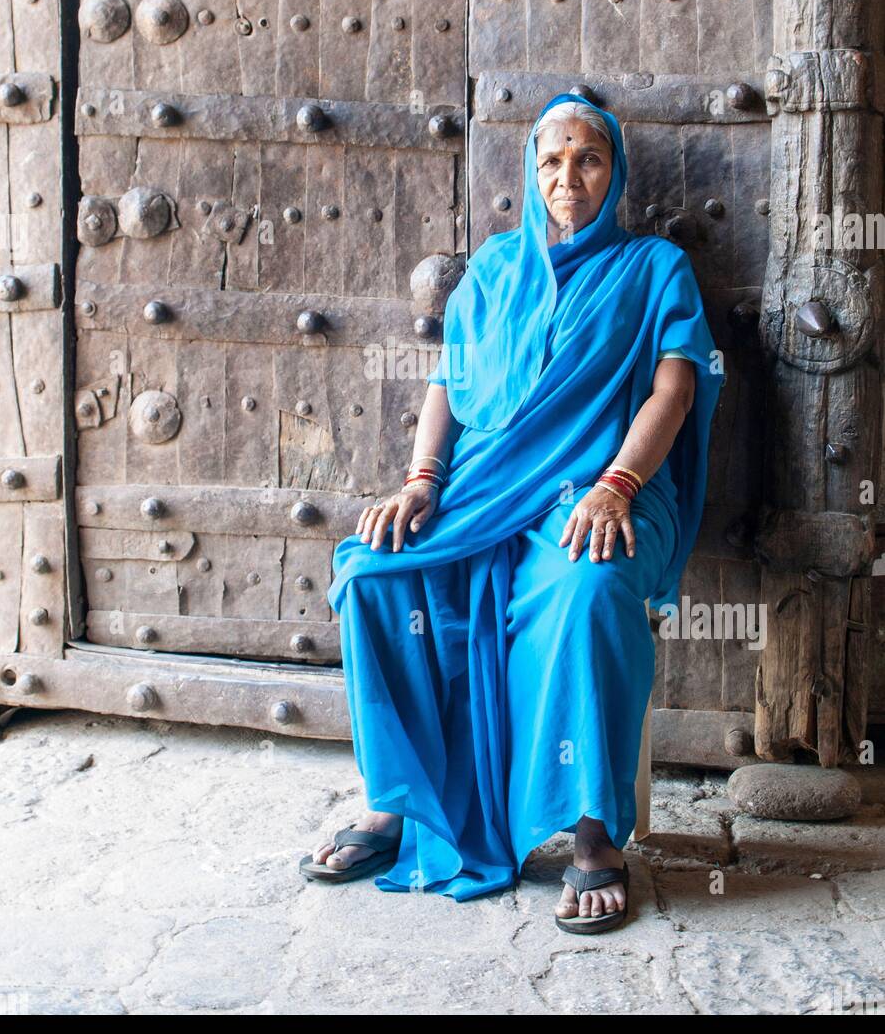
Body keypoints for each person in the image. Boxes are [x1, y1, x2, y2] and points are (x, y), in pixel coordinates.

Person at [299, 92, 722, 933]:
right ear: (532, 176)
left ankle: (595, 836)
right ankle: (400, 803)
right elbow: (448, 386)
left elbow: (676, 387)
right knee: (375, 572)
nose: (570, 178)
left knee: (590, 590)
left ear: (617, 172)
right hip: (483, 492)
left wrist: (618, 485)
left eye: (589, 159)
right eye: (552, 163)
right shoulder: (492, 271)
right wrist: (423, 480)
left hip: (600, 493)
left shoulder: (652, 269)